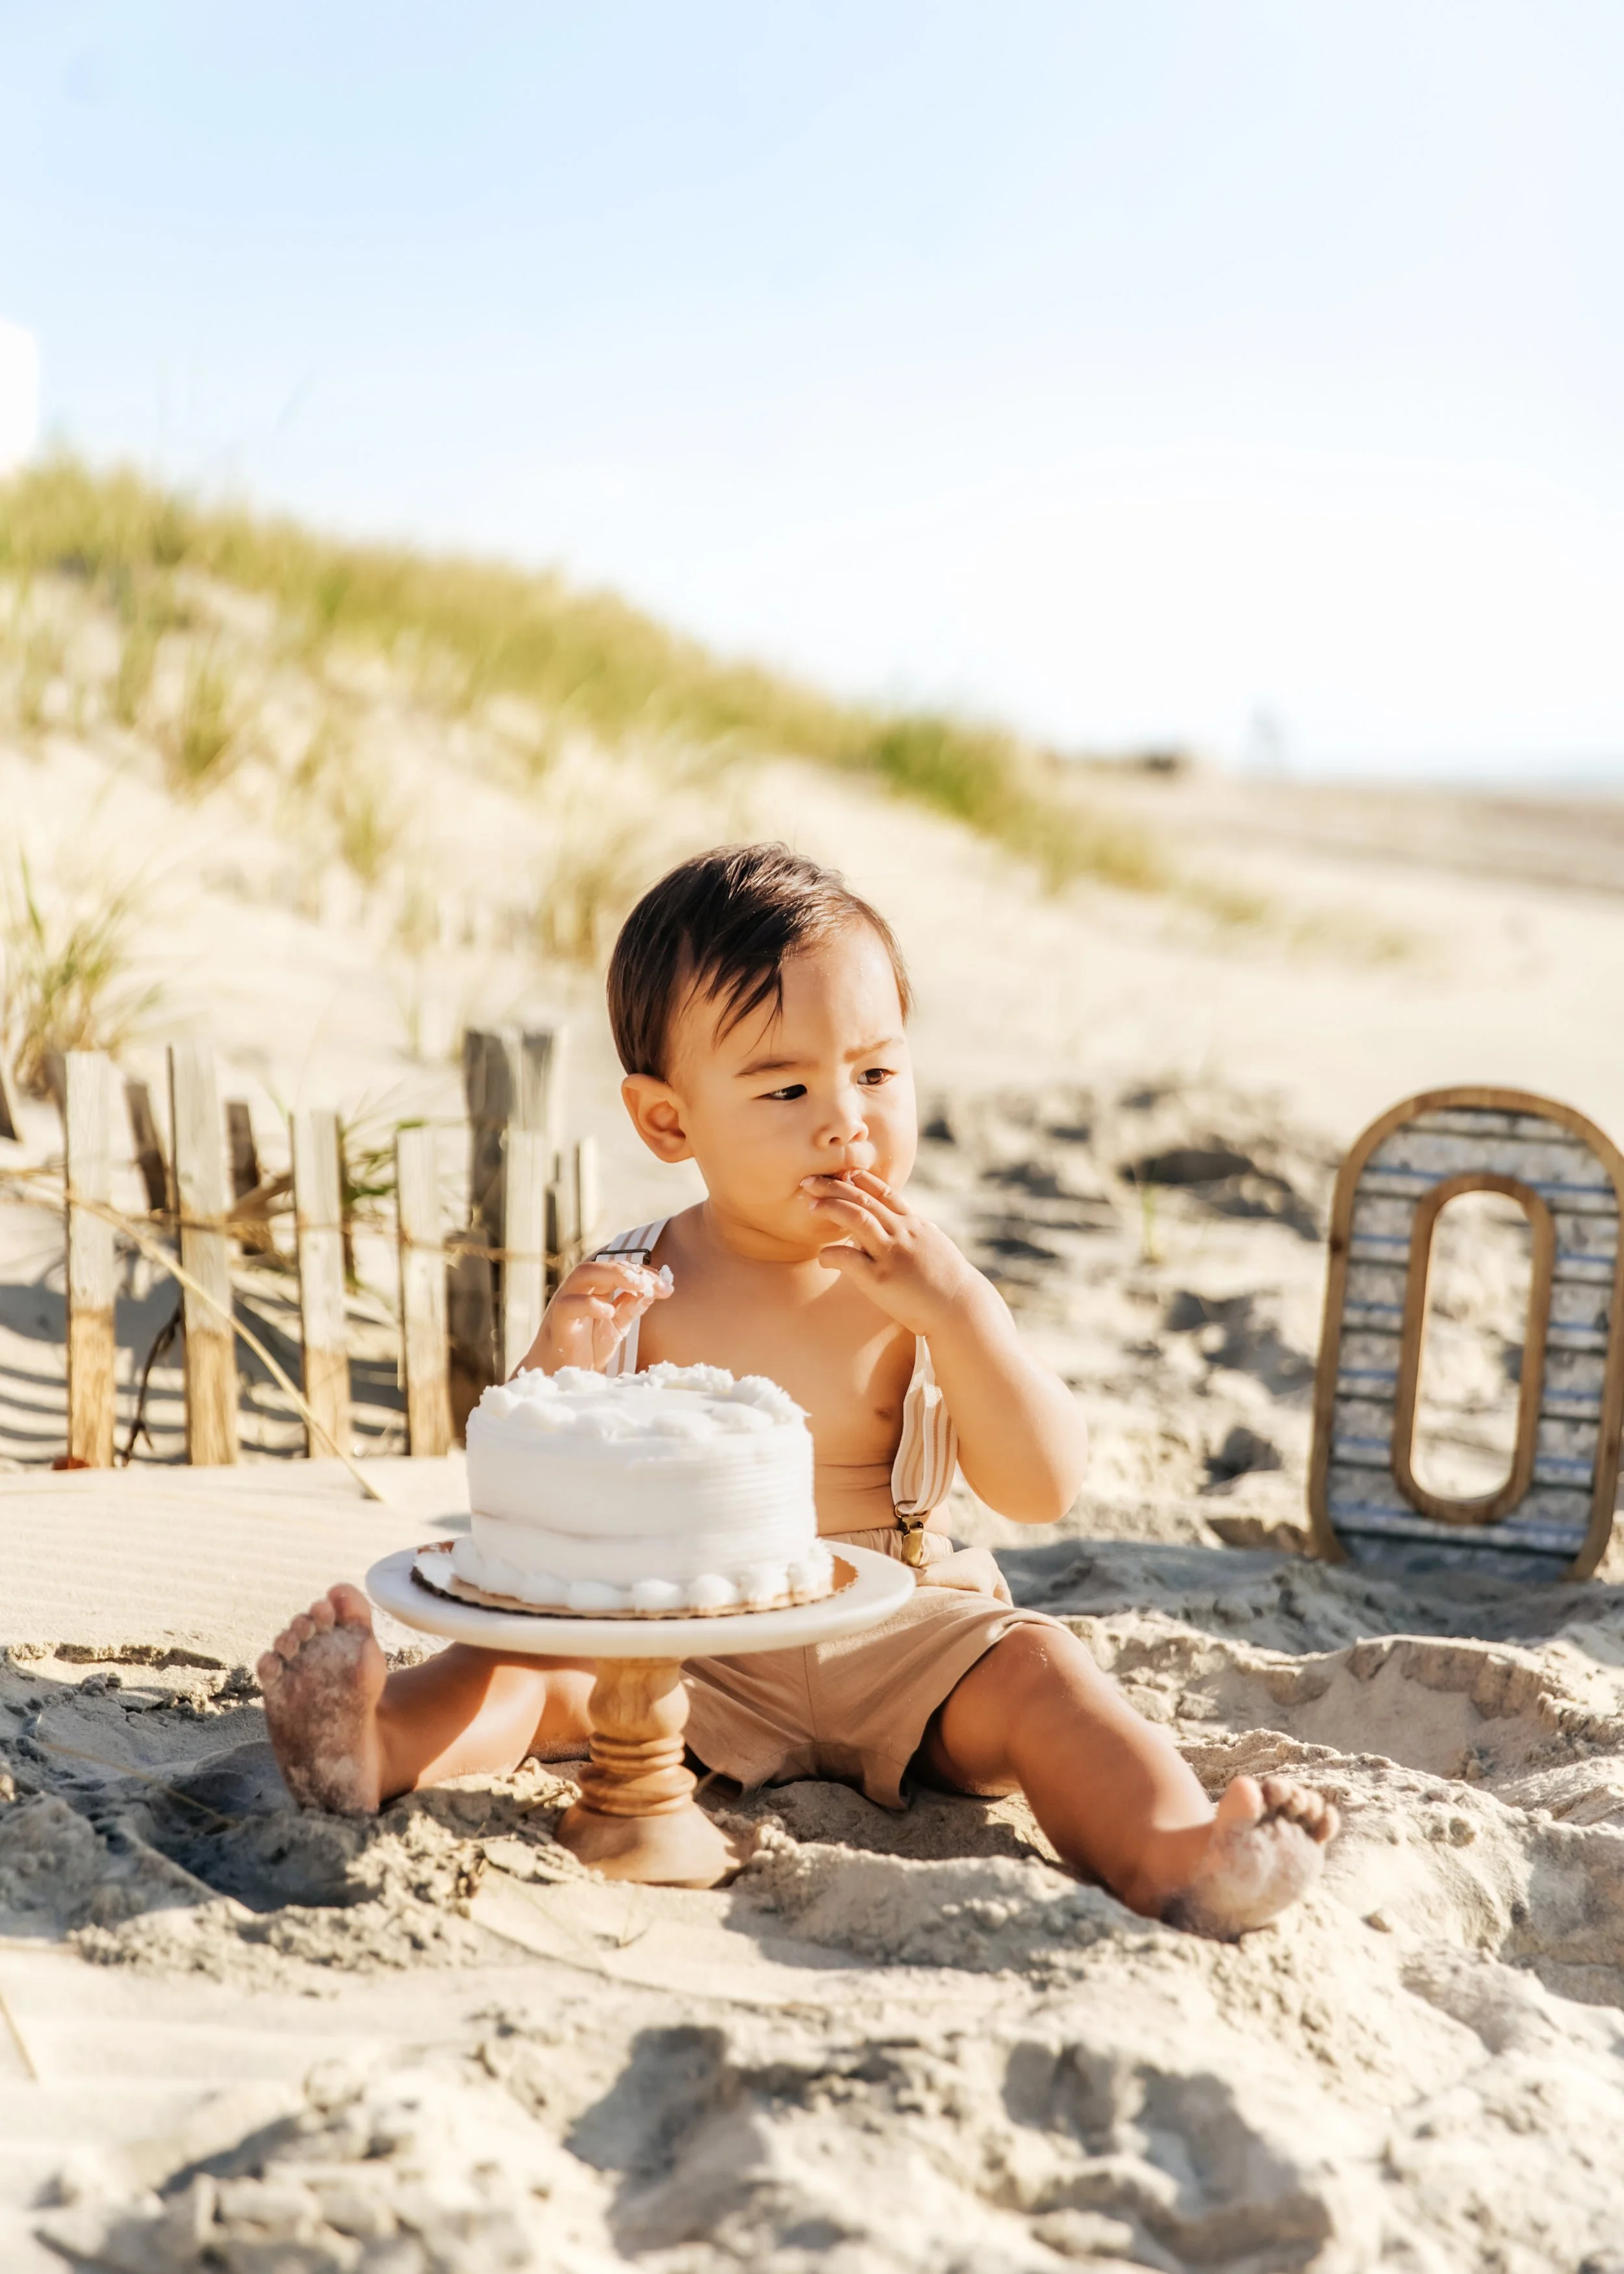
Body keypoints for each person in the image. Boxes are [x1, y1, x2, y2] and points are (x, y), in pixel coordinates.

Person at [260, 844, 1336, 1935]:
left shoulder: (927, 1282)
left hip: (905, 1629)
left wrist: (961, 1316)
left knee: (1044, 1674)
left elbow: (1043, 1486)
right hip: (685, 1638)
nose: (846, 1122)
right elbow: (536, 1484)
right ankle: (377, 1743)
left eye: (876, 1074)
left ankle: (1175, 1852)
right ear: (669, 1121)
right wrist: (563, 1357)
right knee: (528, 1666)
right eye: (786, 1088)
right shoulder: (642, 1280)